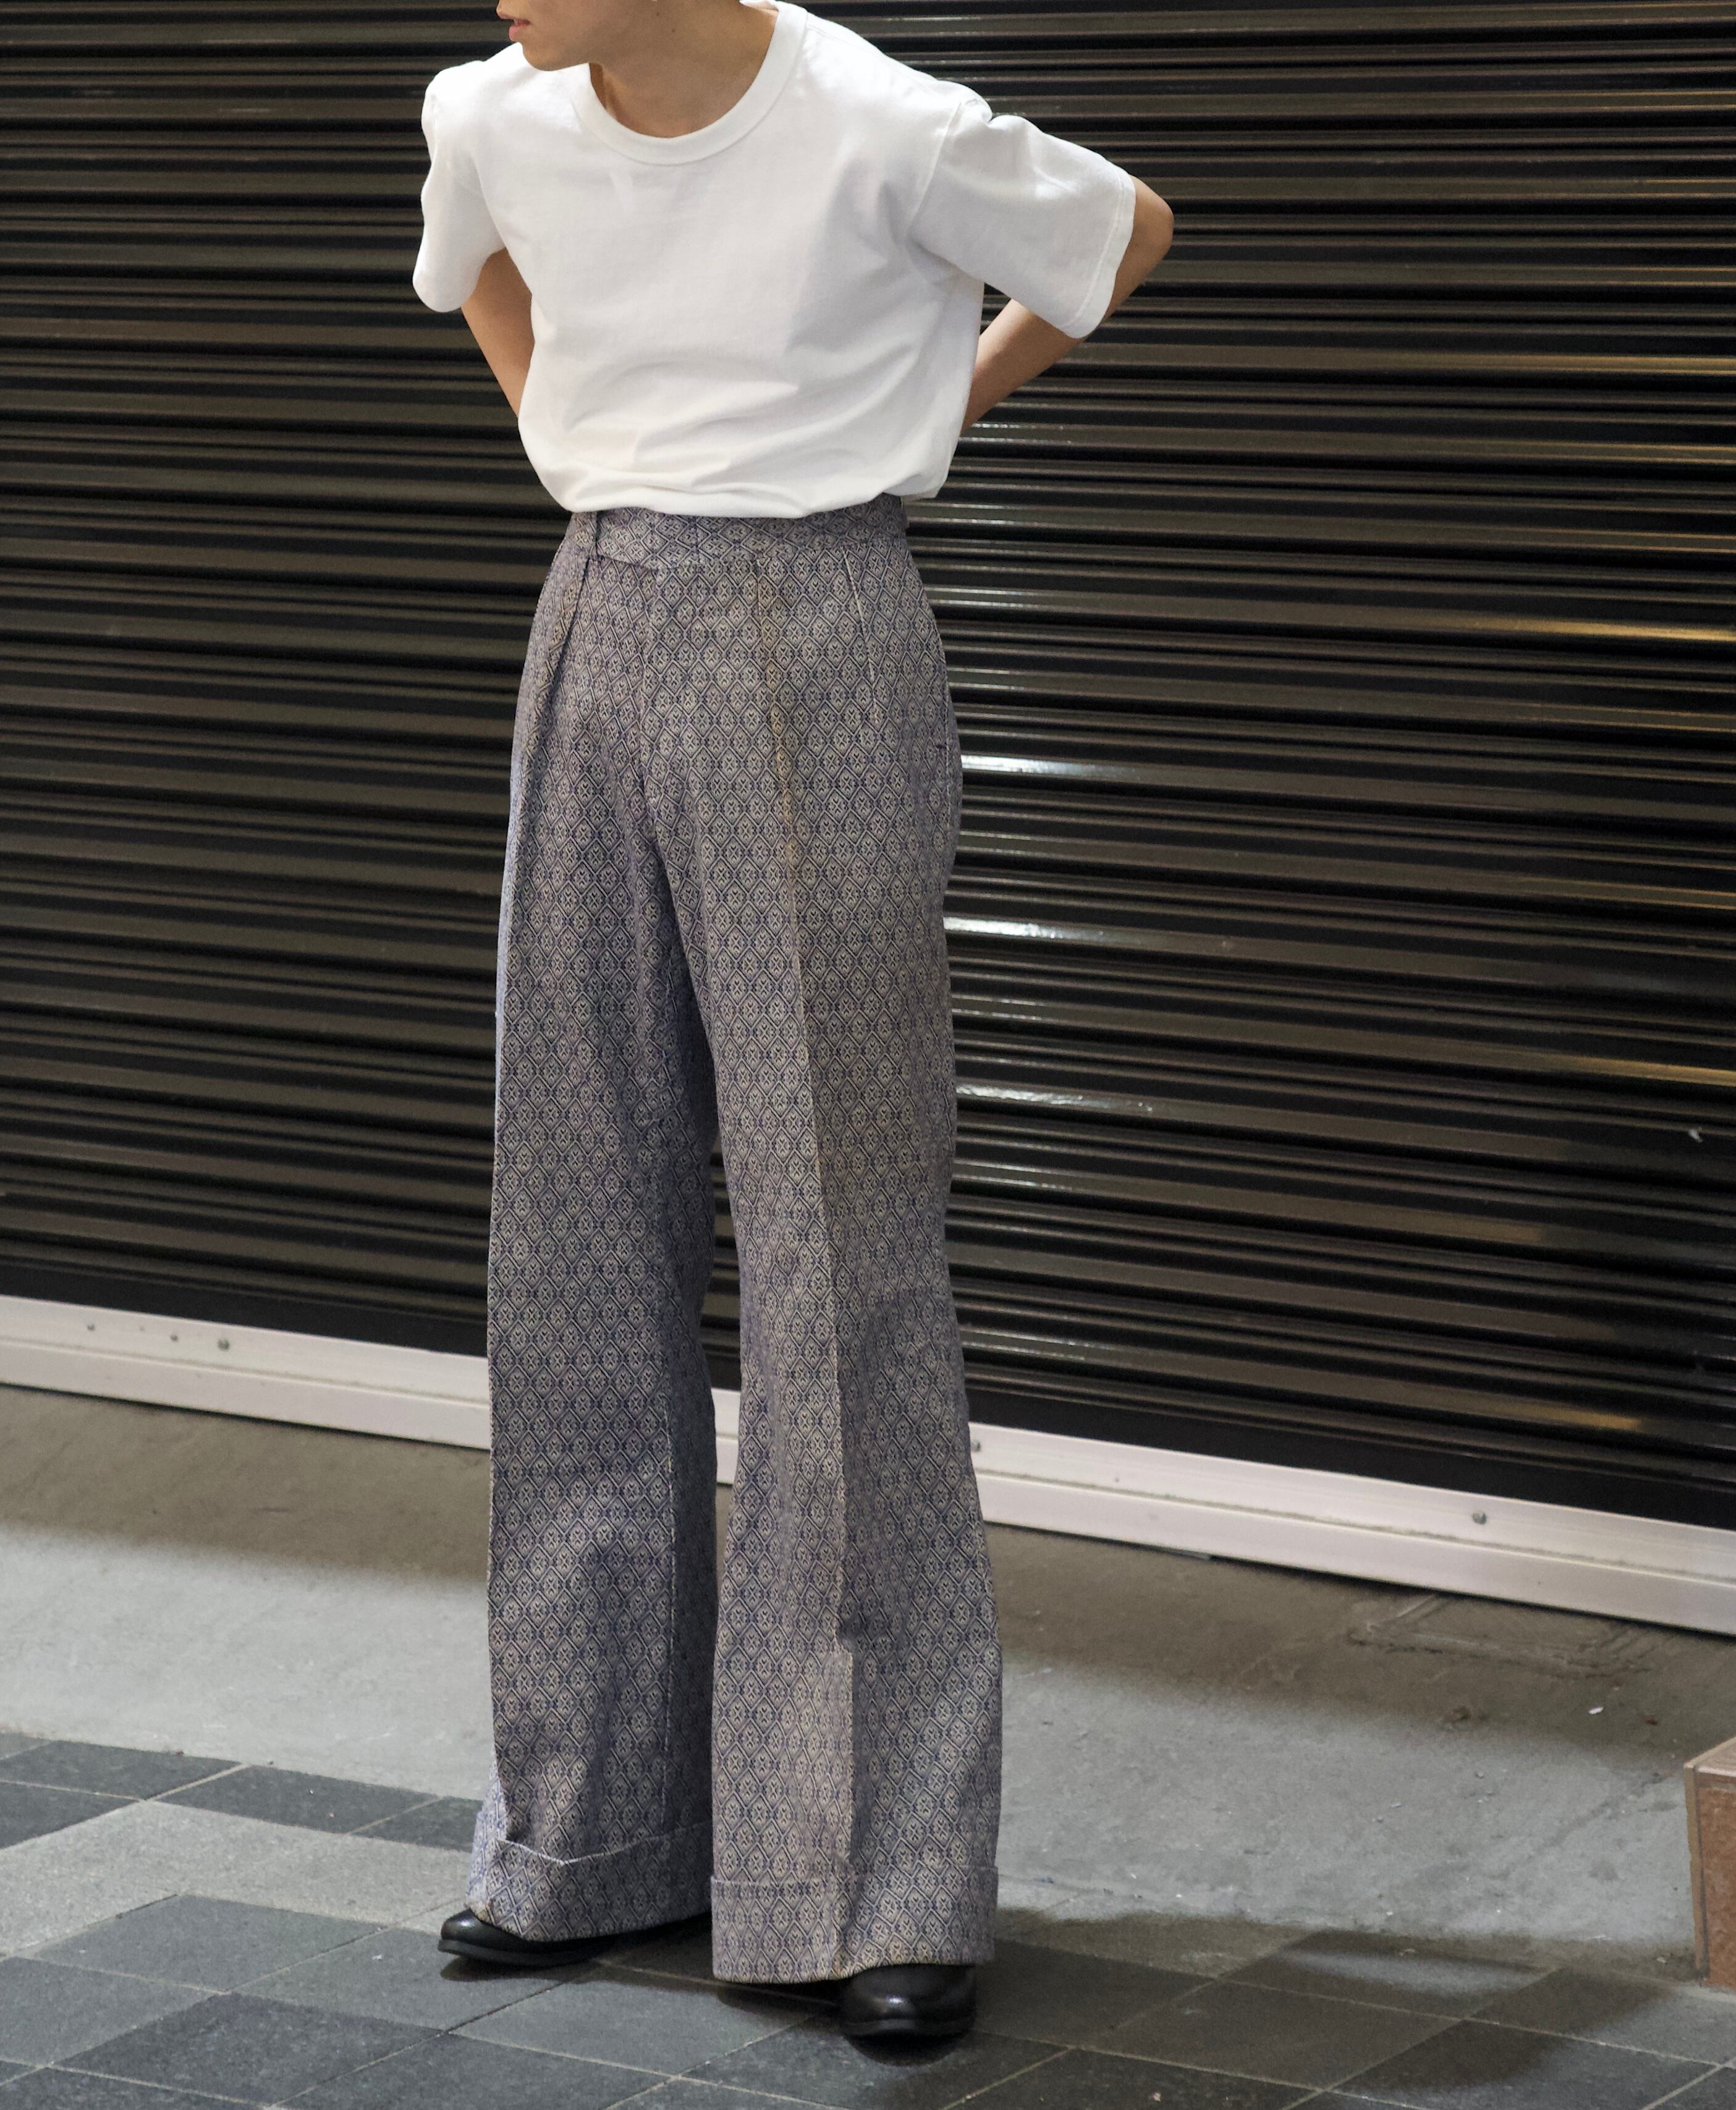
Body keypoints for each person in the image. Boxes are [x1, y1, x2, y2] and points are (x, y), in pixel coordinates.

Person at [412, 0, 1172, 2043]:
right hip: (593, 617)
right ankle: (587, 1838)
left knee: (843, 1254)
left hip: (818, 615)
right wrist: (573, 437)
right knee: (573, 1239)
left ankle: (870, 1878)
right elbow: (475, 272)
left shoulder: (873, 118)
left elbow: (1120, 235)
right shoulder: (488, 113)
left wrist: (925, 411)